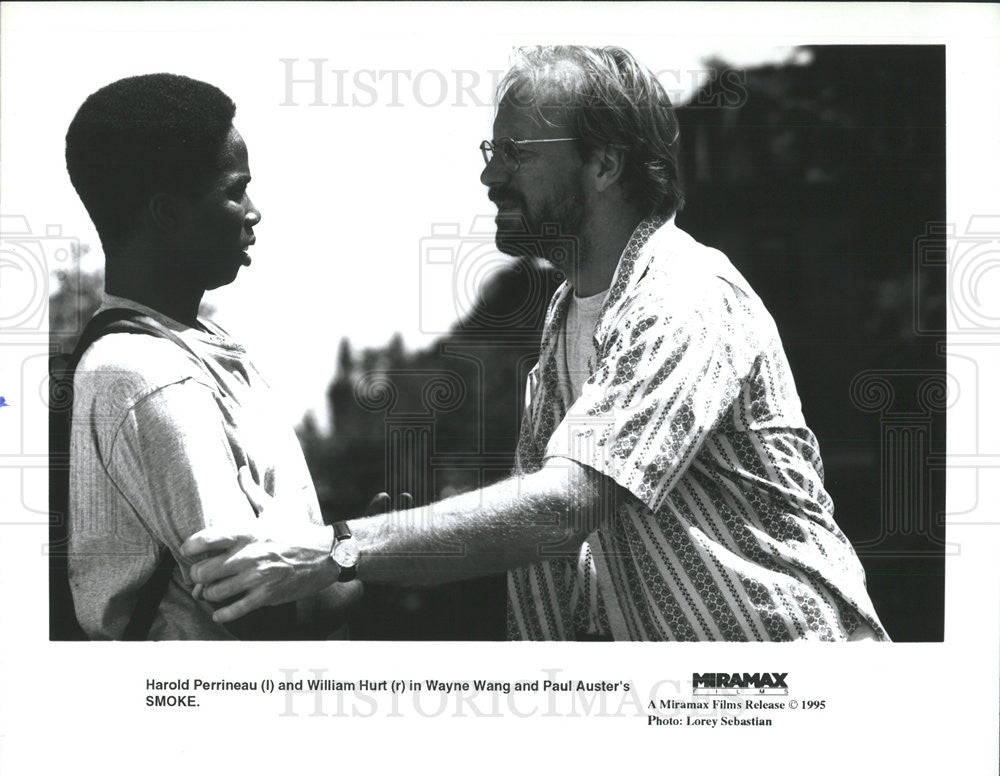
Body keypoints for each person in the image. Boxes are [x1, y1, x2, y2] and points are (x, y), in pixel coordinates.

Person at [183, 46, 889, 641]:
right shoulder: (566, 317)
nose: (491, 174)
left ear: (606, 164)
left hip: (794, 694)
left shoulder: (683, 295)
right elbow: (558, 550)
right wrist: (385, 552)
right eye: (494, 152)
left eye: (515, 153)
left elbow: (563, 507)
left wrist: (339, 551)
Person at [64, 73, 360, 640]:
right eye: (234, 189)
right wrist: (359, 557)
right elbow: (256, 610)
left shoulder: (189, 354)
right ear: (167, 215)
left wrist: (329, 545)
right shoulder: (150, 376)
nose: (253, 212)